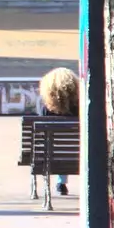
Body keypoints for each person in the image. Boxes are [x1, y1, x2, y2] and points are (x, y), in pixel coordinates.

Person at [38, 66, 79, 196]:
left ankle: (61, 183)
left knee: (57, 147)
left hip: (52, 156)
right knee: (68, 148)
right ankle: (61, 182)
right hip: (78, 154)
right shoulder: (80, 109)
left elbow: (41, 137)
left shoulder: (46, 109)